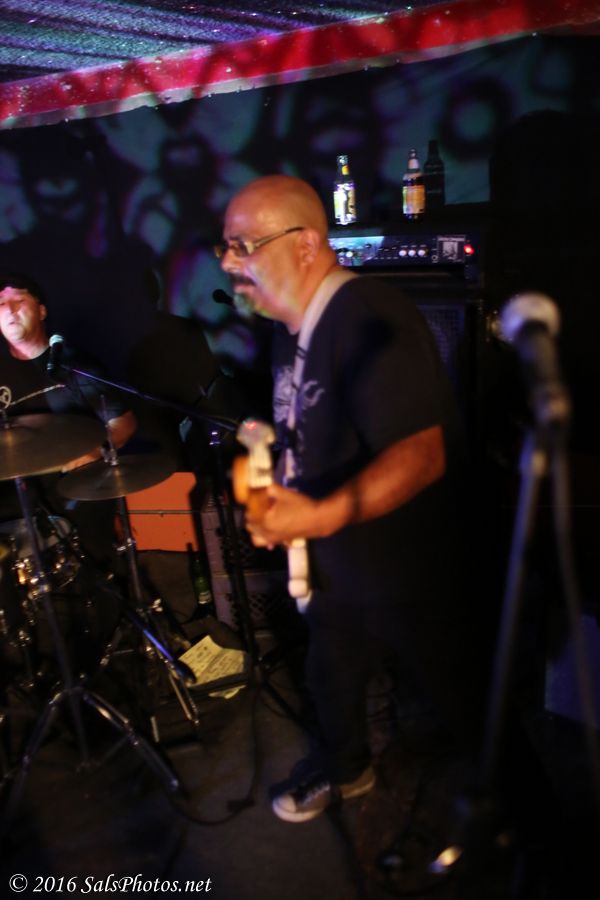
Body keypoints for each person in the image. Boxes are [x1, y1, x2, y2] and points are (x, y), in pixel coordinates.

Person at [217, 175, 485, 824]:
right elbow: (307, 421)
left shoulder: (368, 315)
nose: (227, 261)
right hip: (337, 564)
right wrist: (273, 476)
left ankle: (536, 832)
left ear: (307, 245)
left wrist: (319, 513)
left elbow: (420, 454)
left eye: (243, 244)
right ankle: (348, 771)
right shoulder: (291, 326)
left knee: (469, 703)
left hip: (406, 569)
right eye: (224, 246)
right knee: (330, 677)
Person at [0, 272, 137, 565]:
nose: (9, 310)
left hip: (75, 492)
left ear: (41, 311)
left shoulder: (74, 366)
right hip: (18, 499)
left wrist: (97, 450)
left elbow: (123, 422)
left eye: (19, 300)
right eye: (1, 303)